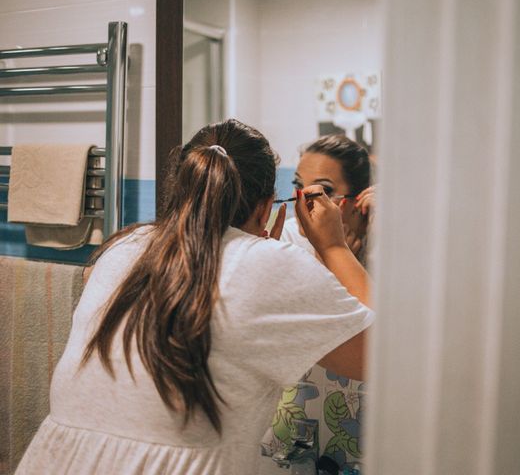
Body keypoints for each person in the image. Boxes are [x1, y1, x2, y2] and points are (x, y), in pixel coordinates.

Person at [16, 119, 373, 475]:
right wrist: (332, 246)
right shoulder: (269, 263)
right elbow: (378, 358)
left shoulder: (124, 246)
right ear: (266, 208)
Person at [280, 134, 375, 266]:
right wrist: (328, 263)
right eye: (298, 184)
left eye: (324, 190)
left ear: (359, 198)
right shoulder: (285, 239)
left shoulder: (380, 243)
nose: (301, 201)